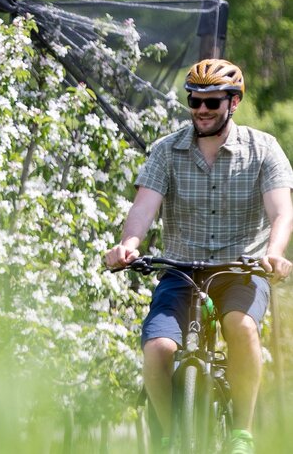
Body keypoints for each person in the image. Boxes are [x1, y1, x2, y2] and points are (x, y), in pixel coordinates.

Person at [104, 59, 293, 454]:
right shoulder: (167, 150)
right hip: (181, 269)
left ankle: (241, 432)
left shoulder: (263, 149)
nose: (201, 110)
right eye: (194, 101)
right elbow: (143, 207)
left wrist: (274, 254)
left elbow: (281, 212)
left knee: (240, 327)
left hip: (240, 269)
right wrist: (129, 244)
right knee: (157, 348)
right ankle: (171, 434)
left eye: (212, 102)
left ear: (234, 102)